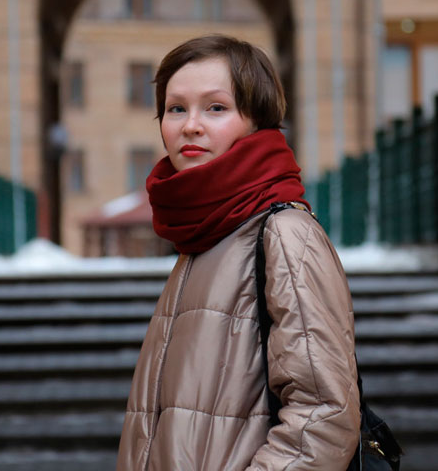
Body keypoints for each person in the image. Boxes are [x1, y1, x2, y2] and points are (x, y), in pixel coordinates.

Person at [116, 35, 360, 470]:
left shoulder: (283, 233)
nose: (191, 125)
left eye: (216, 107)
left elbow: (323, 417)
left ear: (257, 123)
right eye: (176, 108)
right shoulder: (203, 231)